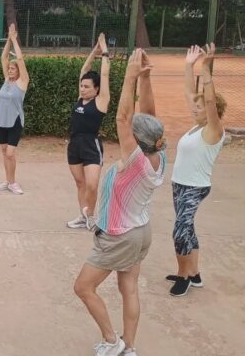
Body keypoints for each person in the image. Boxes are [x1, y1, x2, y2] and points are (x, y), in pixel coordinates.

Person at [73, 49, 166, 356]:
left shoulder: (135, 159)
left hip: (119, 235)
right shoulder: (158, 154)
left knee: (83, 287)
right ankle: (130, 347)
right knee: (129, 289)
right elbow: (149, 117)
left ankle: (112, 340)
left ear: (135, 140)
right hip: (140, 232)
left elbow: (123, 117)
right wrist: (146, 78)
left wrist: (129, 75)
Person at [166, 44, 227, 297]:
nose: (195, 108)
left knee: (180, 230)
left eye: (200, 107)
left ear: (212, 112)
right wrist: (188, 66)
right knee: (187, 228)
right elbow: (190, 94)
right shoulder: (196, 128)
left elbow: (208, 100)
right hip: (179, 184)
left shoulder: (214, 130)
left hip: (195, 187)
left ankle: (184, 276)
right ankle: (195, 273)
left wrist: (206, 68)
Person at [67, 33, 111, 229]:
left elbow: (104, 75)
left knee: (92, 185)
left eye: (86, 87)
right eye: (81, 86)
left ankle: (91, 216)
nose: (83, 89)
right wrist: (95, 50)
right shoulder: (80, 98)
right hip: (74, 144)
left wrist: (105, 50)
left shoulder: (101, 101)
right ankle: (82, 215)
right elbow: (84, 69)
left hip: (91, 146)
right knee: (80, 183)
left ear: (97, 89)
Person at [0, 23, 30, 195]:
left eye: (13, 68)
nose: (10, 69)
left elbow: (19, 60)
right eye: (9, 68)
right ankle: (7, 181)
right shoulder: (7, 80)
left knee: (9, 153)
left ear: (19, 71)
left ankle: (13, 183)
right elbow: (3, 58)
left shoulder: (23, 82)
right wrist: (8, 39)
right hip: (2, 120)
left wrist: (14, 40)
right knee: (3, 151)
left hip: (15, 121)